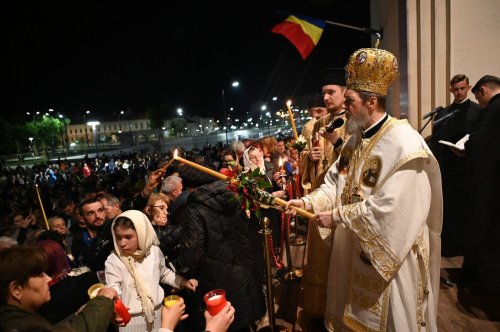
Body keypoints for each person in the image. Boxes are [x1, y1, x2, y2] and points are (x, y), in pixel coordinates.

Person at [286, 47, 442, 331]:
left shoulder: (404, 144)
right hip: (352, 246)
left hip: (388, 258)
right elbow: (336, 182)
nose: (345, 108)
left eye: (350, 101)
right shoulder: (354, 141)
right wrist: (308, 202)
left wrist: (337, 217)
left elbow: (394, 208)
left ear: (371, 102)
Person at [173, 164, 266, 332]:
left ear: (190, 187)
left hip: (217, 282)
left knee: (227, 324)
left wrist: (177, 265)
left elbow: (192, 254)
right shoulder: (235, 196)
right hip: (244, 272)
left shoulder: (194, 208)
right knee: (244, 323)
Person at [298, 68, 349, 319]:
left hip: (345, 198)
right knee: (319, 251)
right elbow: (304, 157)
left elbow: (356, 161)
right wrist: (309, 157)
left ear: (345, 93)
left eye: (331, 92)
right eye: (323, 93)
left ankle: (339, 310)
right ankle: (319, 310)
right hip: (320, 190)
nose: (326, 98)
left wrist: (338, 145)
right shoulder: (315, 125)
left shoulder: (355, 122)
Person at [105, 209, 198, 332]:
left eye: (128, 237)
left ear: (142, 233)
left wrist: (183, 282)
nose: (122, 243)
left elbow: (163, 273)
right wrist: (114, 309)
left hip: (159, 315)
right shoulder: (114, 260)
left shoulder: (154, 252)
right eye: (118, 237)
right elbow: (113, 290)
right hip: (130, 321)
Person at [0, 245, 117, 332]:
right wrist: (102, 301)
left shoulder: (14, 319)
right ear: (16, 289)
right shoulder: (21, 327)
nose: (48, 279)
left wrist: (79, 315)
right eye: (40, 275)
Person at [429, 74, 481, 258]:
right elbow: (435, 140)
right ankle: (448, 246)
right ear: (451, 90)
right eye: (455, 89)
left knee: (465, 208)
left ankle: (464, 246)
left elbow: (482, 140)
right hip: (447, 169)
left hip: (468, 169)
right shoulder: (443, 114)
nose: (459, 92)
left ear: (468, 87)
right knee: (448, 208)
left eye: (462, 88)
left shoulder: (478, 111)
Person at [462, 75, 500, 294]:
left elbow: (482, 143)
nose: (479, 102)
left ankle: (483, 282)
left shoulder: (493, 110)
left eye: (479, 97)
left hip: (490, 184)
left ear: (483, 90)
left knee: (486, 232)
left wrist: (465, 147)